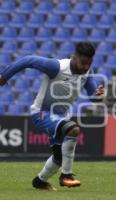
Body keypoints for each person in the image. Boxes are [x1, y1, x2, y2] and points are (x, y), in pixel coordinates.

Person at [0, 42, 104, 191]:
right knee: (73, 130)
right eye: (82, 63)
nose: (85, 67)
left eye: (88, 64)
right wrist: (4, 77)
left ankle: (40, 181)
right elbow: (28, 60)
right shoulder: (57, 67)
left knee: (59, 157)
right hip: (41, 113)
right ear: (74, 57)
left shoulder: (87, 73)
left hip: (61, 118)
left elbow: (93, 96)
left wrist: (98, 95)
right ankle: (66, 176)